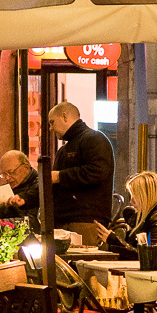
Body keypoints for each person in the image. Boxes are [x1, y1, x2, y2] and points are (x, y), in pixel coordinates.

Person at [47, 97, 116, 228]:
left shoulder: (94, 139)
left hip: (86, 222)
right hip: (67, 220)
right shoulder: (66, 149)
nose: (50, 128)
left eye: (52, 122)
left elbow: (97, 172)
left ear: (64, 116)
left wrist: (59, 176)